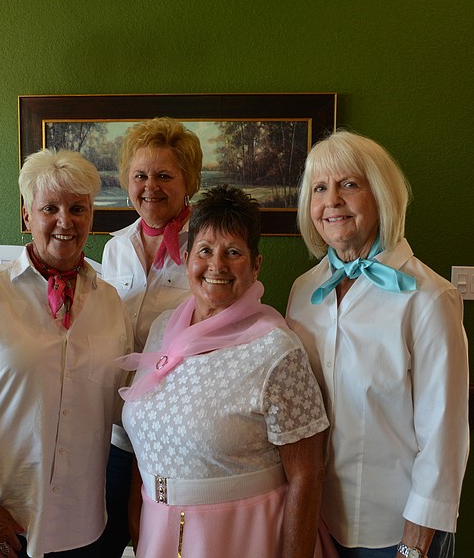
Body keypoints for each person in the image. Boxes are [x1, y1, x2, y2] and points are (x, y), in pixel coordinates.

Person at [0, 148, 133, 558]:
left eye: (77, 208)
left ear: (91, 215)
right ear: (26, 216)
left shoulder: (111, 304)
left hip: (83, 524)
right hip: (0, 521)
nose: (64, 222)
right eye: (49, 208)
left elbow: (124, 410)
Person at [286, 131, 469, 558]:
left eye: (349, 184)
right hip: (315, 519)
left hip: (395, 530)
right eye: (319, 188)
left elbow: (445, 432)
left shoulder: (429, 297)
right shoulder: (304, 291)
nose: (331, 200)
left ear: (382, 195)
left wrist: (415, 542)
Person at [121, 184, 329, 558]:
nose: (217, 265)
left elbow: (307, 475)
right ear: (186, 259)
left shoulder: (277, 350)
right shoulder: (161, 330)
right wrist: (139, 529)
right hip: (159, 530)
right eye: (205, 250)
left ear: (256, 266)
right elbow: (144, 443)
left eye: (233, 252)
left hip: (243, 533)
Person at [97, 117, 203, 556]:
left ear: (188, 183)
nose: (150, 186)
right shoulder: (114, 247)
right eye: (140, 175)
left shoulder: (206, 248)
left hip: (174, 435)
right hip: (116, 432)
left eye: (164, 175)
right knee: (101, 539)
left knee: (157, 544)